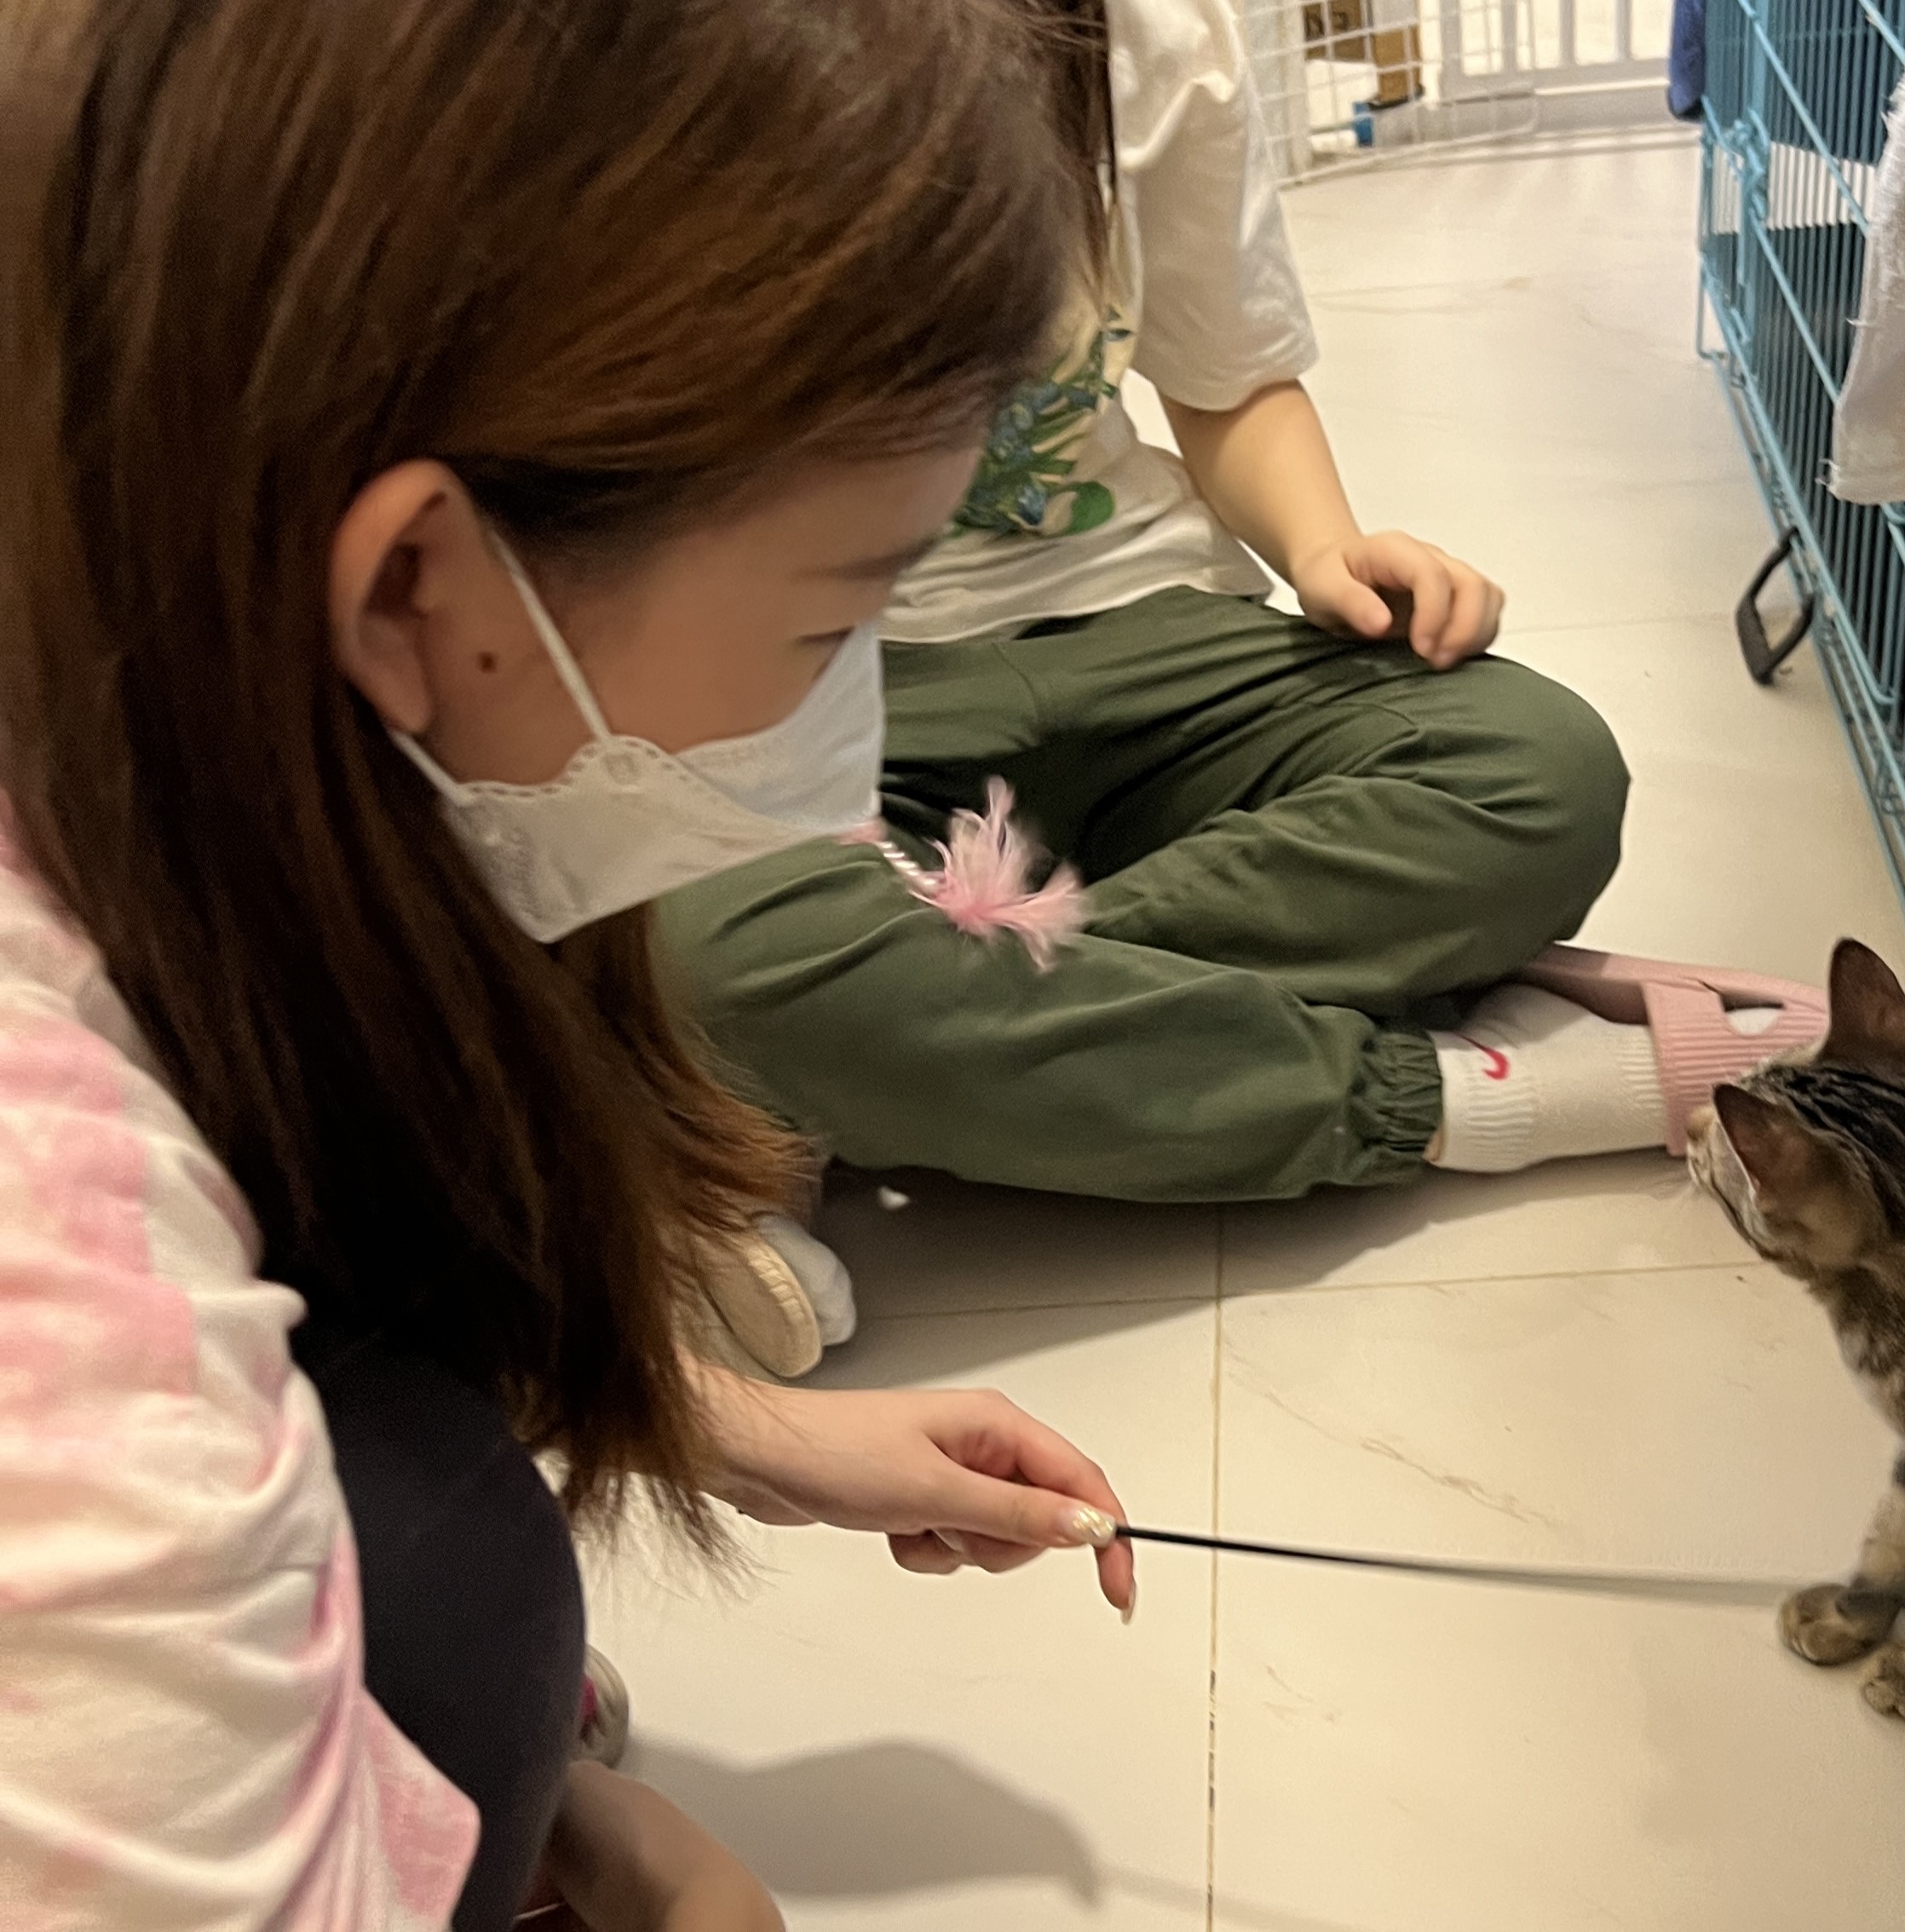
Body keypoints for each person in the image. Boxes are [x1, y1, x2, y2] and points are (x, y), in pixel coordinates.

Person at [0, 3, 1137, 1927]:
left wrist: (730, 1429)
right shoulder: (59, 1267)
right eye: (829, 622)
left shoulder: (150, 706)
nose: (850, 725)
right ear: (421, 588)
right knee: (461, 1585)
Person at [659, 0, 1828, 1251]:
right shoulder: (606, 71)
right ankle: (1482, 1092)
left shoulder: (1147, 32)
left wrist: (1326, 547)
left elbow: (1228, 379)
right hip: (804, 690)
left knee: (1536, 773)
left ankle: (894, 1044)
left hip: (1150, 624)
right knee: (708, 955)